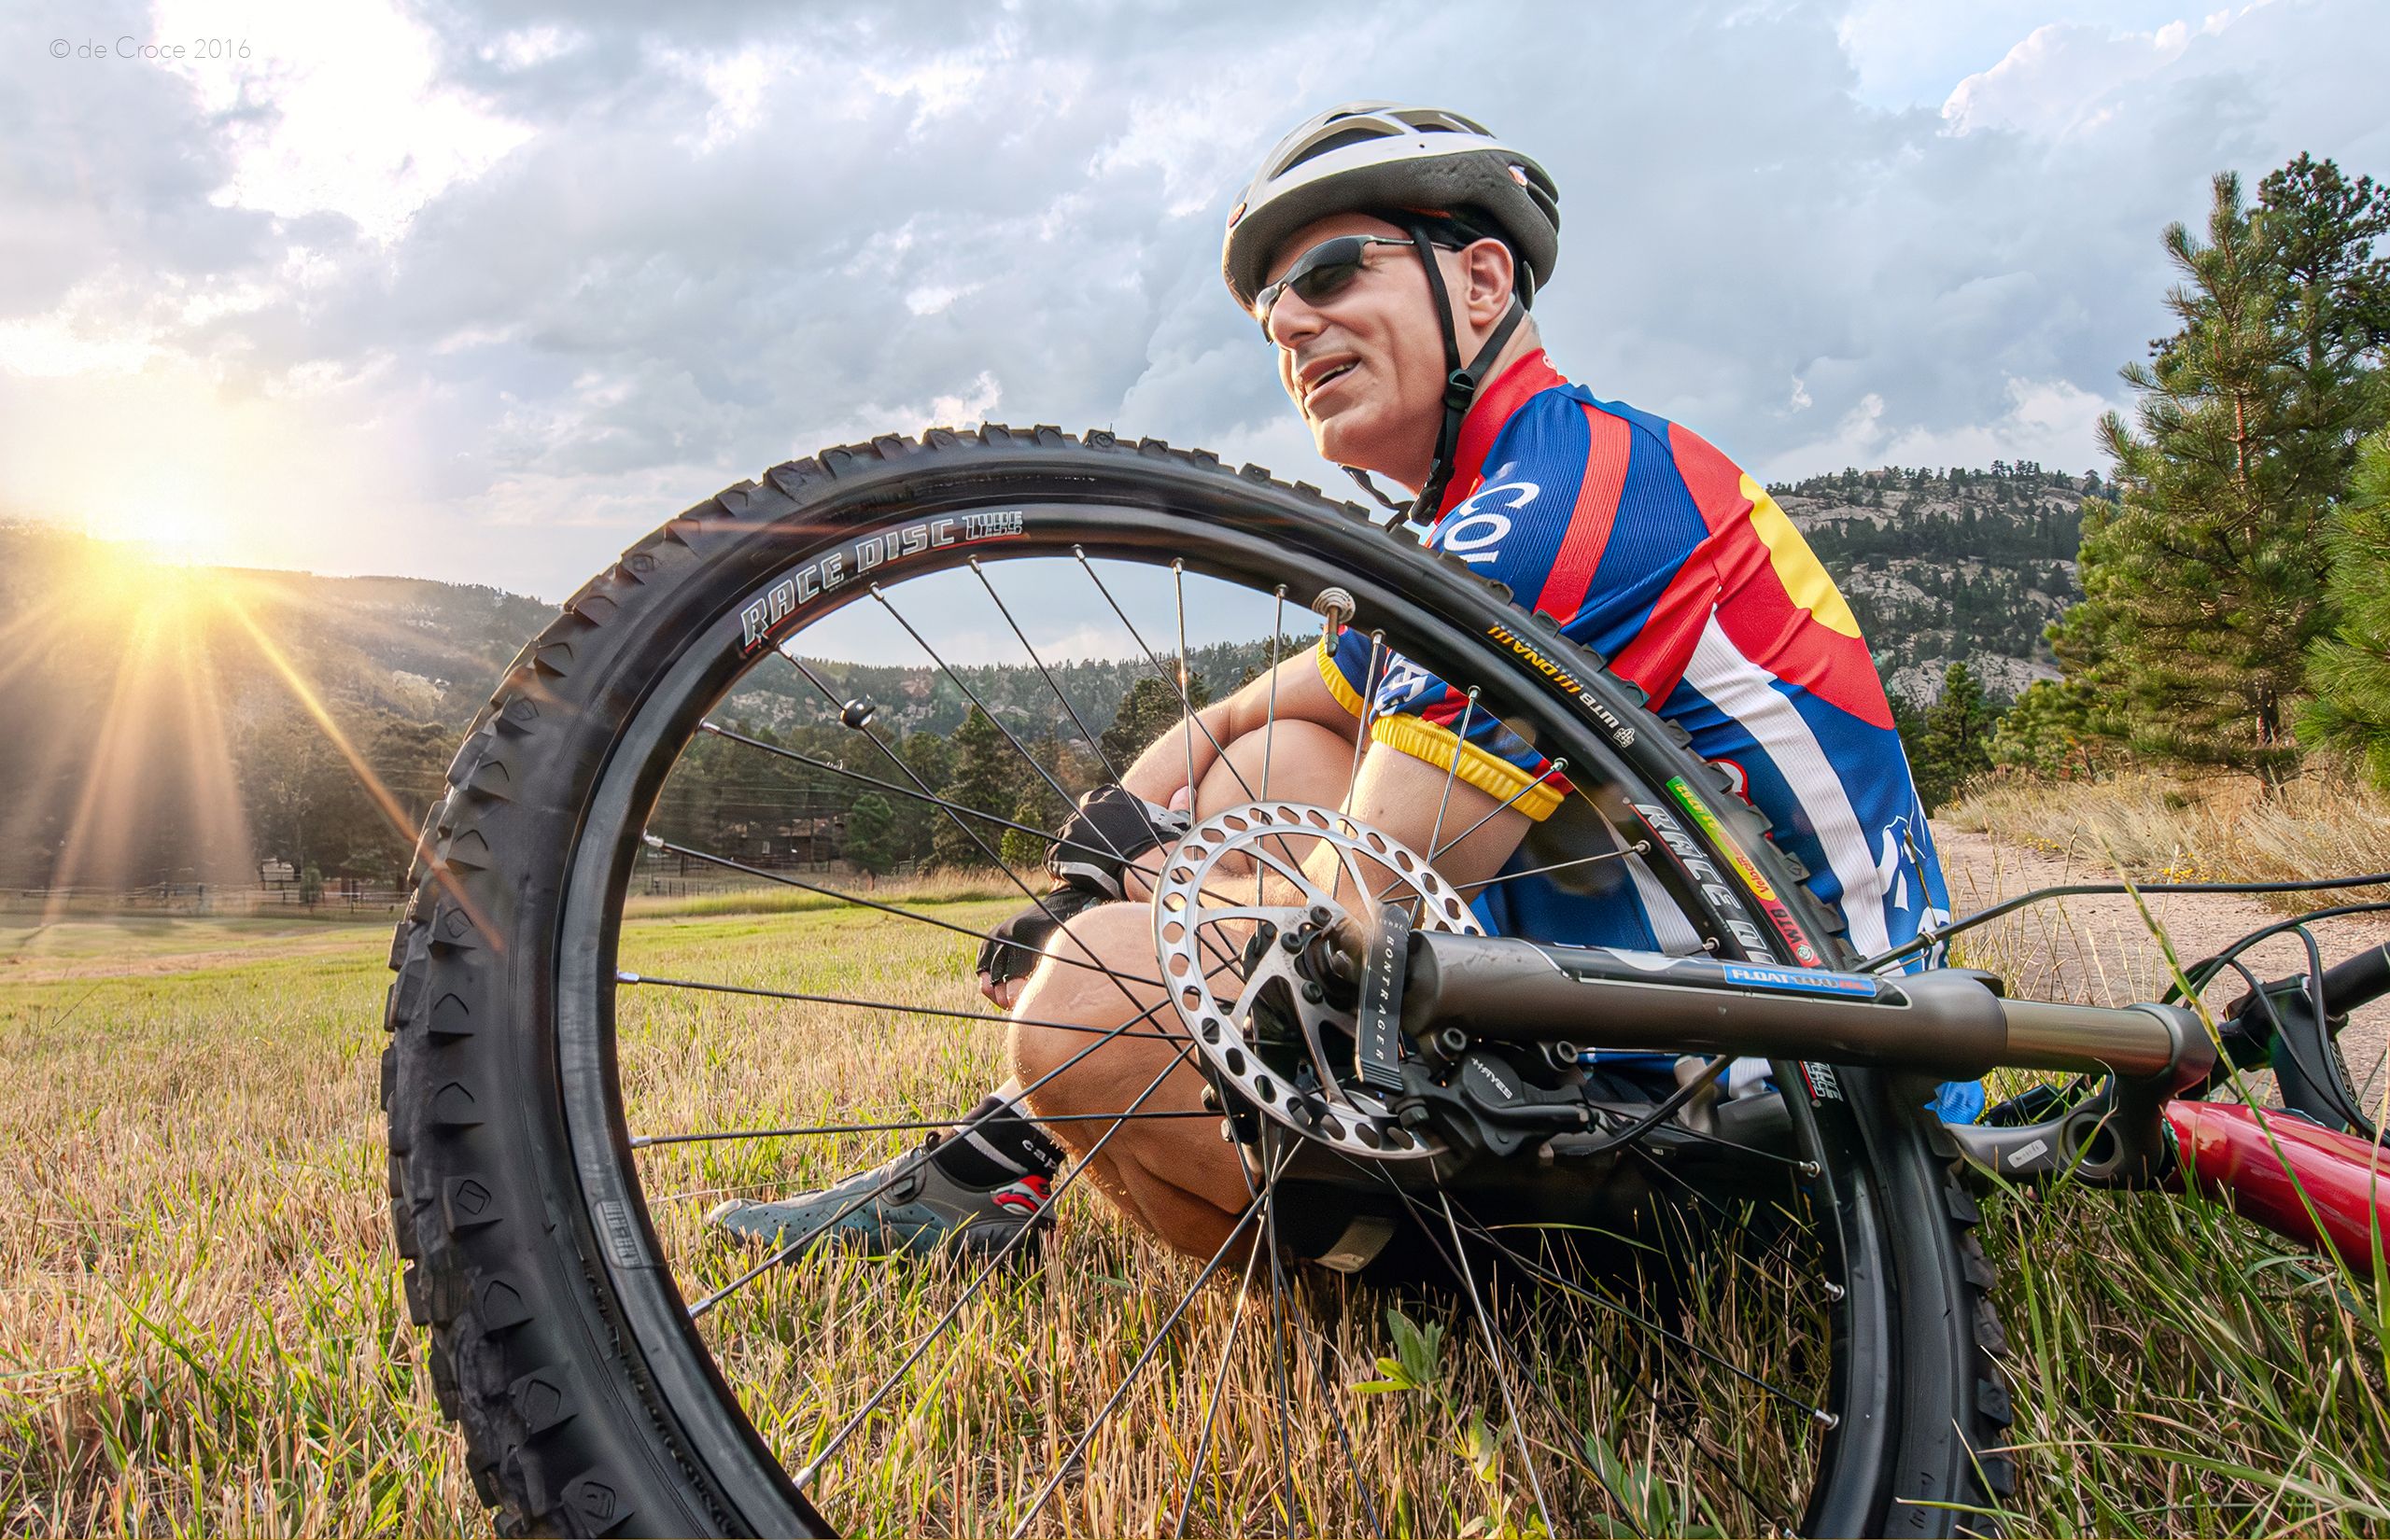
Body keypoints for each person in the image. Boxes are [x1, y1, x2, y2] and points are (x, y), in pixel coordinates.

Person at [711, 102, 1972, 1265]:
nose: (1292, 326)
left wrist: (1125, 920)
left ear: (1482, 279)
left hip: (1789, 1133)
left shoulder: (1561, 503)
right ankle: (1024, 1166)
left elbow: (1366, 920)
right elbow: (1260, 712)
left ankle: (1105, 1182)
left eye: (1327, 274)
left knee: (1090, 997)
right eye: (1271, 316)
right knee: (1258, 770)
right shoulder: (1516, 502)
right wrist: (1111, 849)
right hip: (1693, 1048)